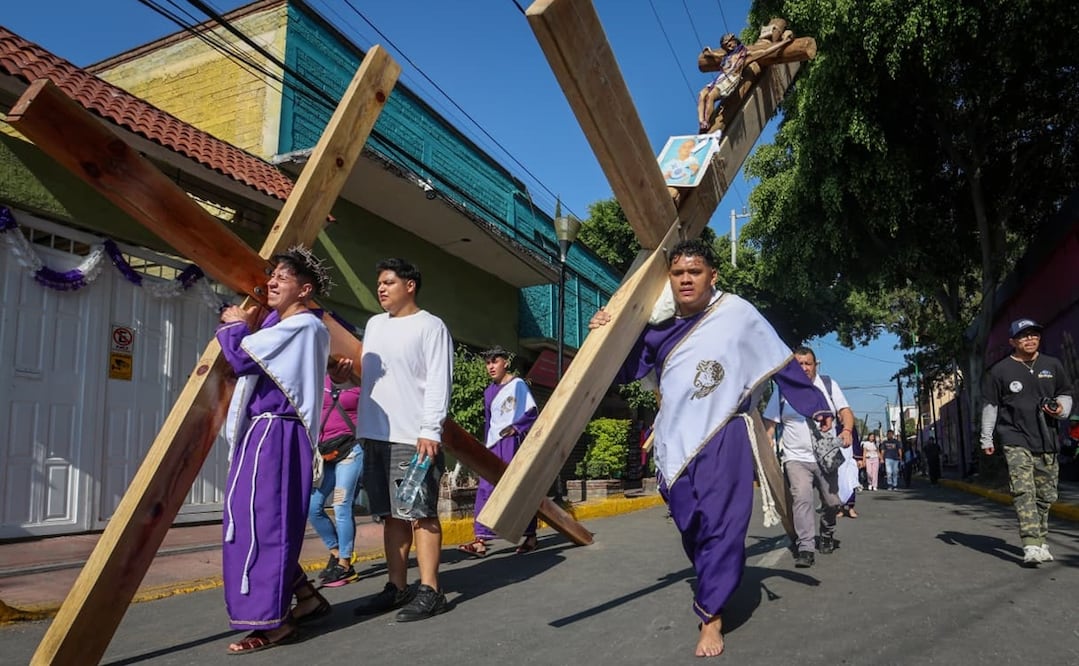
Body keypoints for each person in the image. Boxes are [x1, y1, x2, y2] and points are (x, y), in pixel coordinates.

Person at [589, 239, 833, 658]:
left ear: (712, 276)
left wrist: (815, 405)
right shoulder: (658, 327)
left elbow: (780, 359)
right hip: (675, 441)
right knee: (692, 523)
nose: (686, 279)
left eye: (695, 272)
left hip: (726, 431)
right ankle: (710, 578)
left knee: (723, 523)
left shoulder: (737, 313)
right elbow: (624, 369)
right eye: (678, 273)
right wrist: (603, 331)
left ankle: (711, 615)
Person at [216, 247, 333, 654]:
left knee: (262, 524)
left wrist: (235, 325)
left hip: (277, 434)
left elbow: (241, 358)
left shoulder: (303, 326)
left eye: (283, 277)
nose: (272, 282)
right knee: (252, 522)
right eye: (272, 275)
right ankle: (306, 596)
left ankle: (274, 623)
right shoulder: (282, 324)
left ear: (305, 290)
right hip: (262, 433)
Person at [348, 258, 453, 621]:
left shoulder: (431, 326)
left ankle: (431, 590)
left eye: (389, 282)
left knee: (420, 514)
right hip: (375, 435)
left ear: (410, 285)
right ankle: (397, 586)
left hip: (413, 437)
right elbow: (371, 377)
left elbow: (439, 379)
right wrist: (344, 373)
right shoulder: (374, 325)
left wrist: (431, 429)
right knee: (391, 516)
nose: (381, 288)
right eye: (379, 282)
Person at [980, 318, 1073, 566]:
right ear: (1012, 341)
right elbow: (991, 406)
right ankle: (1030, 543)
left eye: (1034, 334)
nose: (1030, 339)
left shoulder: (1052, 365)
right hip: (1015, 437)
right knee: (1023, 490)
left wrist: (1061, 409)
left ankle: (1041, 539)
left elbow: (1065, 394)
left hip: (1047, 438)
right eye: (1023, 336)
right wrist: (986, 437)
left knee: (1046, 494)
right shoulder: (1000, 371)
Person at [763, 348, 856, 565]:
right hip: (796, 457)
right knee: (802, 499)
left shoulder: (828, 385)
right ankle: (806, 547)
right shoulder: (783, 391)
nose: (804, 368)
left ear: (816, 365)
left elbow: (845, 411)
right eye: (799, 364)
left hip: (826, 456)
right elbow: (770, 422)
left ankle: (827, 532)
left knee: (832, 502)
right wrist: (768, 439)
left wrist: (847, 430)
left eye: (808, 364)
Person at [458, 346, 540, 558]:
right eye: (488, 363)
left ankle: (530, 535)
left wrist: (516, 428)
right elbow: (490, 423)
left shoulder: (518, 385)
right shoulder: (488, 392)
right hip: (493, 444)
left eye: (495, 361)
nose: (491, 366)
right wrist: (485, 445)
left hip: (513, 443)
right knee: (485, 487)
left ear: (506, 362)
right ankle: (480, 540)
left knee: (517, 488)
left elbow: (531, 411)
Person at [309, 375, 364, 587]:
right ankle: (335, 552)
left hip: (351, 450)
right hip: (326, 454)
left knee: (341, 505)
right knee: (312, 507)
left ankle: (345, 564)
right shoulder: (319, 379)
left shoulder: (360, 380)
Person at [697, 32, 748, 133]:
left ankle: (707, 121)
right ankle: (702, 122)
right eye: (726, 45)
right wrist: (709, 52)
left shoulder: (743, 54)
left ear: (735, 41)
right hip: (720, 79)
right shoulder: (726, 56)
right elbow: (716, 56)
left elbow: (764, 52)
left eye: (729, 43)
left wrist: (780, 44)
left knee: (710, 96)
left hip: (729, 80)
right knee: (702, 94)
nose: (729, 46)